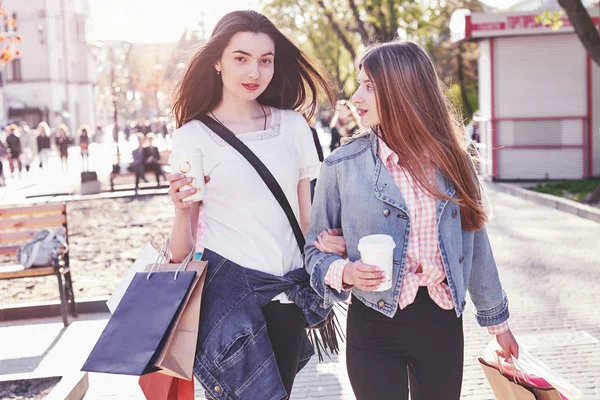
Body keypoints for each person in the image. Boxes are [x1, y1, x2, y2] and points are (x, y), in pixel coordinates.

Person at [304, 41, 519, 400]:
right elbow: (314, 253)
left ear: (404, 89)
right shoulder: (341, 166)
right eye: (359, 84)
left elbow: (477, 248)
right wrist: (345, 271)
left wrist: (499, 326)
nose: (356, 96)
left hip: (441, 323)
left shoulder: (454, 163)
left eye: (369, 86)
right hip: (372, 321)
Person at [166, 10, 341, 399]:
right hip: (225, 302)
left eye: (266, 60)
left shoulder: (293, 126)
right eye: (241, 58)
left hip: (284, 296)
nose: (255, 72)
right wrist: (180, 212)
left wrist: (330, 249)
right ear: (217, 61)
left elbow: (307, 217)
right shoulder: (191, 136)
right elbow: (180, 250)